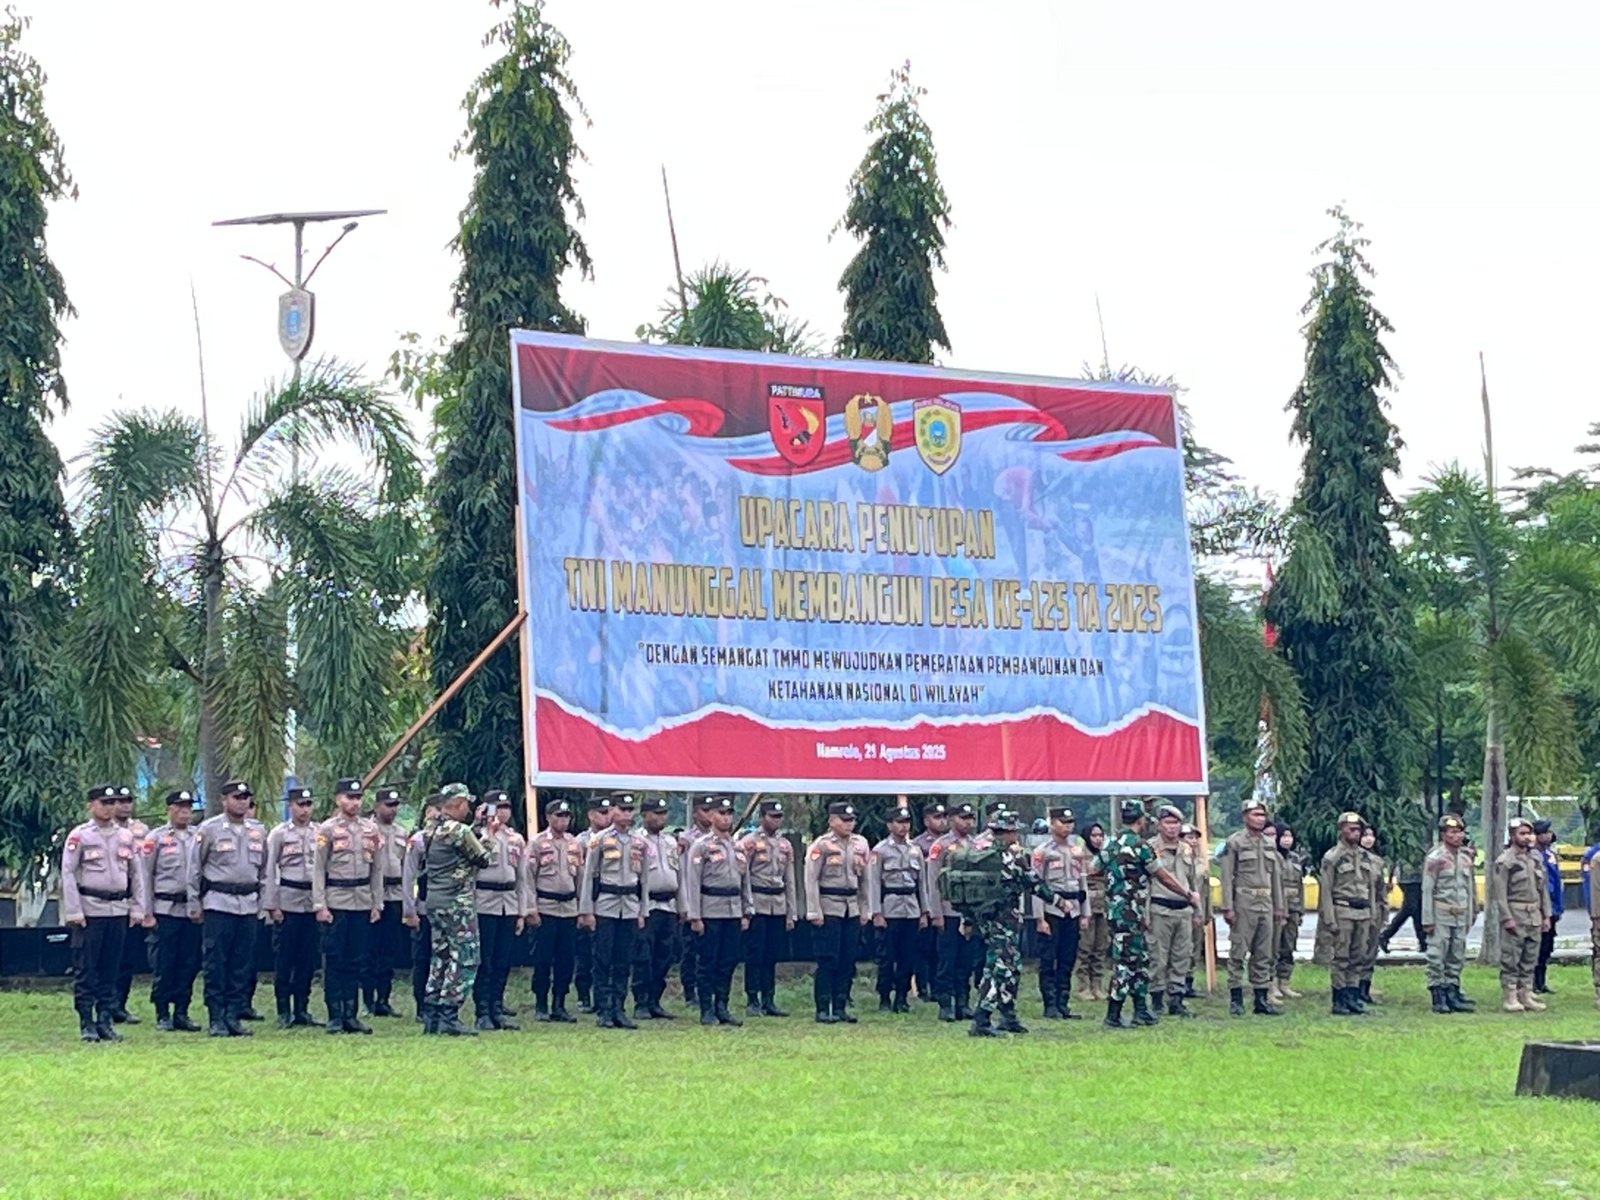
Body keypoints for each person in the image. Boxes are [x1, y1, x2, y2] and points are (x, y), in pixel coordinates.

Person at [1097, 799, 1200, 1029]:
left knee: (1140, 960)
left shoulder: (1111, 844)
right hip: (1132, 910)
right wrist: (1186, 894)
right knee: (1126, 962)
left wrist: (1115, 879)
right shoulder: (1141, 847)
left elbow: (1094, 868)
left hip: (1117, 910)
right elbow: (1162, 876)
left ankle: (1141, 1009)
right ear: (1141, 819)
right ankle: (1113, 1014)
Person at [966, 810, 1063, 1036]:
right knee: (999, 967)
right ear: (1008, 832)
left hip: (986, 918)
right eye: (1014, 831)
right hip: (1004, 919)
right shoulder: (1009, 858)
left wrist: (967, 920)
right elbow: (1033, 883)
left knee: (1011, 965)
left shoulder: (980, 855)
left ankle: (1008, 1015)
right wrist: (1059, 901)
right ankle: (981, 1019)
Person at [62, 784, 147, 1042]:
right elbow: (68, 873)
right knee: (87, 969)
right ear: (91, 805)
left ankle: (105, 1020)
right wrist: (74, 910)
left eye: (113, 803)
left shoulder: (125, 836)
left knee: (111, 969)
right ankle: (86, 1022)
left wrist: (138, 907)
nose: (110, 808)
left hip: (118, 910)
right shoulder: (80, 836)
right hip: (90, 910)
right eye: (104, 803)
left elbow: (136, 874)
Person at [189, 779, 268, 1037]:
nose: (242, 802)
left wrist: (264, 903)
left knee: (241, 963)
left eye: (245, 798)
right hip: (218, 903)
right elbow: (194, 868)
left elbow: (265, 871)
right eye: (236, 797)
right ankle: (216, 1016)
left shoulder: (258, 831)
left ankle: (234, 1015)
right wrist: (194, 903)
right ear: (224, 800)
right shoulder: (209, 829)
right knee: (216, 962)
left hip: (248, 904)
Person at [312, 777, 383, 1035]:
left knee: (356, 959)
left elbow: (377, 869)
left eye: (358, 797)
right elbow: (318, 869)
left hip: (361, 900)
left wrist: (377, 902)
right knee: (334, 959)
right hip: (336, 900)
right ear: (338, 799)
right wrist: (320, 904)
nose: (354, 802)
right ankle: (334, 1014)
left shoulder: (370, 829)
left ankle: (351, 1014)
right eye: (349, 797)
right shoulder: (327, 829)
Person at [421, 783, 492, 1035]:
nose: (468, 809)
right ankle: (450, 1013)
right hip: (457, 902)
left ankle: (432, 1013)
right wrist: (489, 835)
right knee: (465, 957)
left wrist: (477, 827)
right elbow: (483, 858)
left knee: (441, 956)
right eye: (466, 804)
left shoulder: (431, 828)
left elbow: (461, 848)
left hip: (435, 901)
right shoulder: (459, 830)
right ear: (459, 804)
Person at [578, 792, 647, 1029]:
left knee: (623, 960)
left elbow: (644, 880)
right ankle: (604, 1009)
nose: (626, 814)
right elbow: (589, 876)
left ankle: (619, 1007)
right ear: (612, 811)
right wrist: (587, 910)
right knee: (602, 959)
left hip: (629, 906)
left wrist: (642, 911)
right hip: (605, 905)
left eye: (630, 810)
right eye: (622, 809)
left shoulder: (639, 842)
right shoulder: (599, 839)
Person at [684, 794, 753, 1026]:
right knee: (708, 961)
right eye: (721, 813)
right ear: (711, 816)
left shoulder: (738, 846)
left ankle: (722, 1005)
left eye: (729, 813)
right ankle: (706, 1007)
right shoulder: (701, 846)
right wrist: (695, 915)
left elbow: (745, 881)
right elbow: (693, 882)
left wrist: (747, 910)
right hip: (710, 910)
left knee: (728, 961)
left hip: (733, 910)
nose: (726, 818)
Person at [805, 800, 871, 1024]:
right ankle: (823, 1007)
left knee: (847, 959)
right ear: (832, 821)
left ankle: (841, 1005)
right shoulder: (821, 845)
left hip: (851, 907)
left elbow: (865, 881)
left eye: (852, 820)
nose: (849, 824)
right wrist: (814, 911)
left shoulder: (860, 844)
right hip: (829, 906)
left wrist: (865, 909)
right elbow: (811, 880)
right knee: (828, 959)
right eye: (844, 820)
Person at [141, 789, 201, 1032]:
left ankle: (182, 1011)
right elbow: (145, 876)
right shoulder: (155, 838)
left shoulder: (198, 837)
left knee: (189, 962)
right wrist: (147, 911)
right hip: (165, 908)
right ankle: (162, 1011)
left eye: (188, 807)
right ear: (169, 809)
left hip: (191, 909)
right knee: (165, 963)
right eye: (179, 807)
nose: (184, 812)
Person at [1218, 798, 1285, 1016]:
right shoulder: (1234, 842)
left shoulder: (1269, 843)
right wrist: (1227, 906)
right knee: (1238, 950)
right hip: (1244, 901)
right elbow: (1226, 876)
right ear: (1245, 817)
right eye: (1255, 815)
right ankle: (1236, 998)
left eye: (1262, 815)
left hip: (1265, 901)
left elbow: (1275, 877)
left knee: (1264, 952)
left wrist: (1279, 906)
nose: (1260, 819)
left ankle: (1261, 998)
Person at [263, 785, 319, 1028]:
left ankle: (302, 1008)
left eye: (308, 804)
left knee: (308, 959)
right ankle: (283, 1010)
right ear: (290, 806)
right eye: (300, 805)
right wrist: (272, 904)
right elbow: (269, 870)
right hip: (287, 901)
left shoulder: (319, 832)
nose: (305, 809)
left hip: (312, 902)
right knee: (285, 959)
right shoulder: (279, 834)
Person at [472, 791, 527, 1031]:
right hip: (484, 902)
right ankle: (482, 1011)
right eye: (497, 807)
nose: (502, 812)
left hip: (509, 903)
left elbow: (522, 878)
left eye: (506, 807)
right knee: (485, 961)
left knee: (502, 961)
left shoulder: (516, 839)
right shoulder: (476, 836)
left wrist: (522, 912)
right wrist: (483, 828)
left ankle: (497, 1008)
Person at [526, 796, 582, 1023]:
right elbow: (528, 878)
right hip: (545, 907)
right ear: (548, 817)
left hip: (568, 908)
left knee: (566, 959)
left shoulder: (574, 843)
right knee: (543, 958)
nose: (563, 820)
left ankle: (560, 1003)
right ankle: (541, 1003)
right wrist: (531, 908)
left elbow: (580, 879)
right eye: (559, 815)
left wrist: (582, 909)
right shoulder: (537, 843)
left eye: (567, 816)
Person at [1030, 805, 1089, 1019]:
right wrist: (1039, 918)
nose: (1067, 826)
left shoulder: (1076, 850)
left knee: (1067, 958)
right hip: (1051, 910)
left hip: (1072, 910)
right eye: (1063, 822)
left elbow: (1082, 883)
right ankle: (1050, 1004)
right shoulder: (1042, 851)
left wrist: (1085, 913)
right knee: (1048, 959)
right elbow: (1036, 885)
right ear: (1052, 823)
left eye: (1070, 822)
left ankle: (1063, 1002)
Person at [867, 804, 927, 1014]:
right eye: (899, 822)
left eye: (907, 822)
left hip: (911, 908)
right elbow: (873, 883)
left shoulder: (915, 849)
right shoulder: (880, 850)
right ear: (889, 825)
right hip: (890, 908)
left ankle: (902, 997)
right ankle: (884, 997)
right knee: (887, 957)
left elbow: (922, 883)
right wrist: (876, 912)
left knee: (907, 956)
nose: (904, 826)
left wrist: (924, 911)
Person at [739, 798, 796, 1017]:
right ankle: (752, 999)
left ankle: (769, 999)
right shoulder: (749, 842)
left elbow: (789, 880)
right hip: (758, 903)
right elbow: (744, 877)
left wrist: (791, 912)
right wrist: (746, 908)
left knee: (772, 955)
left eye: (779, 817)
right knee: (755, 954)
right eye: (772, 816)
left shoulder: (785, 845)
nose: (776, 820)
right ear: (762, 817)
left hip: (777, 905)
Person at [927, 801, 981, 1021]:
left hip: (970, 912)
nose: (968, 822)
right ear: (951, 820)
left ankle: (962, 1002)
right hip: (948, 911)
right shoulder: (941, 845)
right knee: (947, 959)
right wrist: (936, 913)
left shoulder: (976, 845)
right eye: (963, 818)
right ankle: (945, 1003)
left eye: (970, 818)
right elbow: (933, 881)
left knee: (966, 960)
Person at [1319, 811, 1376, 1016]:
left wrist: (1372, 914)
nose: (1356, 833)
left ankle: (1353, 997)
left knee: (1358, 957)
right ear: (1341, 830)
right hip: (1343, 910)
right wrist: (1329, 919)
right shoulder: (1333, 857)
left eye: (1358, 829)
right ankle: (1339, 998)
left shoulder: (1365, 856)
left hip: (1362, 912)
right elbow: (1326, 890)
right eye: (1351, 829)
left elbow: (1370, 887)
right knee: (1341, 958)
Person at [1147, 804, 1201, 1019]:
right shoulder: (1150, 848)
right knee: (1158, 956)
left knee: (1182, 956)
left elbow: (1193, 881)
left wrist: (1197, 910)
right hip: (1160, 908)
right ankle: (1157, 998)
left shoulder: (1186, 848)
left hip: (1184, 909)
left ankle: (1177, 998)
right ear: (1159, 825)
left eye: (1176, 823)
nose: (1172, 827)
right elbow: (1146, 882)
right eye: (1167, 822)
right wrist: (1145, 913)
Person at [1495, 816, 1552, 1013]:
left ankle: (1525, 994)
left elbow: (1542, 889)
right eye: (1522, 833)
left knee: (1530, 958)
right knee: (1512, 957)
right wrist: (1506, 917)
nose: (1527, 837)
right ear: (1512, 836)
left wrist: (1546, 915)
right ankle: (1510, 996)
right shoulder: (1505, 861)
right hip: (1516, 913)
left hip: (1534, 914)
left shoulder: (1534, 859)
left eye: (1529, 833)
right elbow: (1500, 893)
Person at [634, 795, 683, 1019]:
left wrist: (683, 906)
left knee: (664, 955)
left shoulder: (670, 842)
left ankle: (655, 1000)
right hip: (648, 905)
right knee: (644, 956)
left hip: (669, 906)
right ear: (644, 815)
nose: (661, 817)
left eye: (664, 813)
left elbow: (679, 875)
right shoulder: (636, 841)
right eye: (656, 813)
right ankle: (641, 1002)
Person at [1421, 814, 1477, 1014]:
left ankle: (1453, 991)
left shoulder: (1465, 857)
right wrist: (1427, 919)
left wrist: (1472, 912)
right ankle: (1438, 994)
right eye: (1452, 832)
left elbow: (1470, 888)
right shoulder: (1435, 858)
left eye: (1460, 832)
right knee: (1437, 954)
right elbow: (1427, 889)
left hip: (1460, 913)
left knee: (1457, 954)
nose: (1457, 836)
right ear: (1443, 835)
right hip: (1441, 913)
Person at [365, 785, 410, 1018]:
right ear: (377, 806)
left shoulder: (402, 832)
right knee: (369, 949)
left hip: (395, 894)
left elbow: (406, 865)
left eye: (395, 805)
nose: (392, 809)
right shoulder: (367, 830)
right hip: (373, 894)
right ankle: (368, 999)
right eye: (388, 805)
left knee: (389, 950)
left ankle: (383, 998)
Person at [110, 787, 151, 1024]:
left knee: (128, 957)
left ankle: (119, 1005)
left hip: (132, 900)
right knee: (108, 957)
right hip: (109, 899)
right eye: (120, 801)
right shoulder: (101, 831)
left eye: (128, 801)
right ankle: (105, 1003)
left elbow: (145, 869)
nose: (125, 805)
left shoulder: (141, 831)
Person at [402, 796, 441, 1021]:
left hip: (446, 910)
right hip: (424, 909)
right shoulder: (418, 840)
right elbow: (408, 877)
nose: (439, 814)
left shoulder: (455, 837)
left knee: (443, 959)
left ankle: (440, 1004)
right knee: (423, 959)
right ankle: (422, 1006)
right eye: (436, 809)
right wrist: (409, 911)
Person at [676, 796, 717, 1006]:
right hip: (691, 900)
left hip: (712, 903)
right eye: (705, 810)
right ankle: (689, 991)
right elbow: (683, 874)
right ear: (695, 813)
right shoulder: (686, 839)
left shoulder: (719, 839)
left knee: (709, 950)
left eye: (712, 810)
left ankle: (708, 991)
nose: (709, 815)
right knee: (690, 949)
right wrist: (685, 904)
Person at [573, 794, 612, 1013]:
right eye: (602, 812)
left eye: (609, 812)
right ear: (591, 815)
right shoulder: (581, 841)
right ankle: (583, 994)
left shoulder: (614, 839)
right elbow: (579, 875)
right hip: (586, 899)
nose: (607, 817)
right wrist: (582, 907)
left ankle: (604, 996)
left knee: (604, 953)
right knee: (585, 952)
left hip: (607, 901)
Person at [911, 800, 948, 1002]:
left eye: (944, 817)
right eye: (937, 817)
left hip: (944, 900)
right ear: (926, 821)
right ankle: (922, 987)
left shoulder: (949, 843)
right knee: (923, 948)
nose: (941, 821)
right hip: (923, 900)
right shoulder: (918, 845)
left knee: (940, 949)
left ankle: (937, 987)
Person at [1273, 824, 1307, 1002]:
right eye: (1284, 836)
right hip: (1277, 908)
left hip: (1293, 906)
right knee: (1273, 947)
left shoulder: (1295, 858)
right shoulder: (1272, 857)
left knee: (1288, 946)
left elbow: (1300, 886)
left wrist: (1301, 910)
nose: (1287, 840)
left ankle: (1284, 982)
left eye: (1290, 836)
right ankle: (1272, 983)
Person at [1078, 822, 1110, 1001]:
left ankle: (1097, 984)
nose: (1098, 839)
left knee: (1100, 947)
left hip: (1102, 906)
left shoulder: (1105, 855)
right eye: (1094, 835)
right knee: (1085, 947)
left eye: (1100, 835)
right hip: (1086, 907)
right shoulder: (1080, 855)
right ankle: (1083, 986)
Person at [1356, 823, 1386, 1005]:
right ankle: (1352, 988)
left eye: (1371, 835)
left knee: (1371, 950)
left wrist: (1384, 912)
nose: (1368, 839)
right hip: (1357, 909)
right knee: (1357, 950)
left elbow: (1381, 890)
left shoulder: (1377, 861)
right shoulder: (1351, 858)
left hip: (1375, 910)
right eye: (1365, 835)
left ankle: (1365, 987)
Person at [1533, 819, 1563, 994]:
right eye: (1545, 832)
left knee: (1547, 946)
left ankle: (1541, 981)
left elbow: (1556, 881)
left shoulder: (1550, 855)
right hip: (1538, 906)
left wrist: (1558, 907)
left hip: (1552, 905)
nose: (1549, 835)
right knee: (1536, 946)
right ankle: (1532, 982)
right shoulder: (1533, 855)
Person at [1182, 823, 1212, 998]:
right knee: (1182, 948)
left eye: (1195, 838)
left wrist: (1207, 912)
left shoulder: (1201, 863)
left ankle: (1189, 982)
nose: (1193, 841)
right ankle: (1176, 984)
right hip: (1183, 910)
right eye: (1189, 837)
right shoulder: (1179, 860)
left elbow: (1205, 890)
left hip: (1199, 911)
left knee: (1195, 947)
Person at [1379, 854, 1427, 955]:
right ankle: (1385, 935)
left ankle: (1423, 941)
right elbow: (1395, 856)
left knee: (1417, 909)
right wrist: (1390, 878)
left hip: (1419, 877)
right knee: (1410, 907)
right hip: (1408, 877)